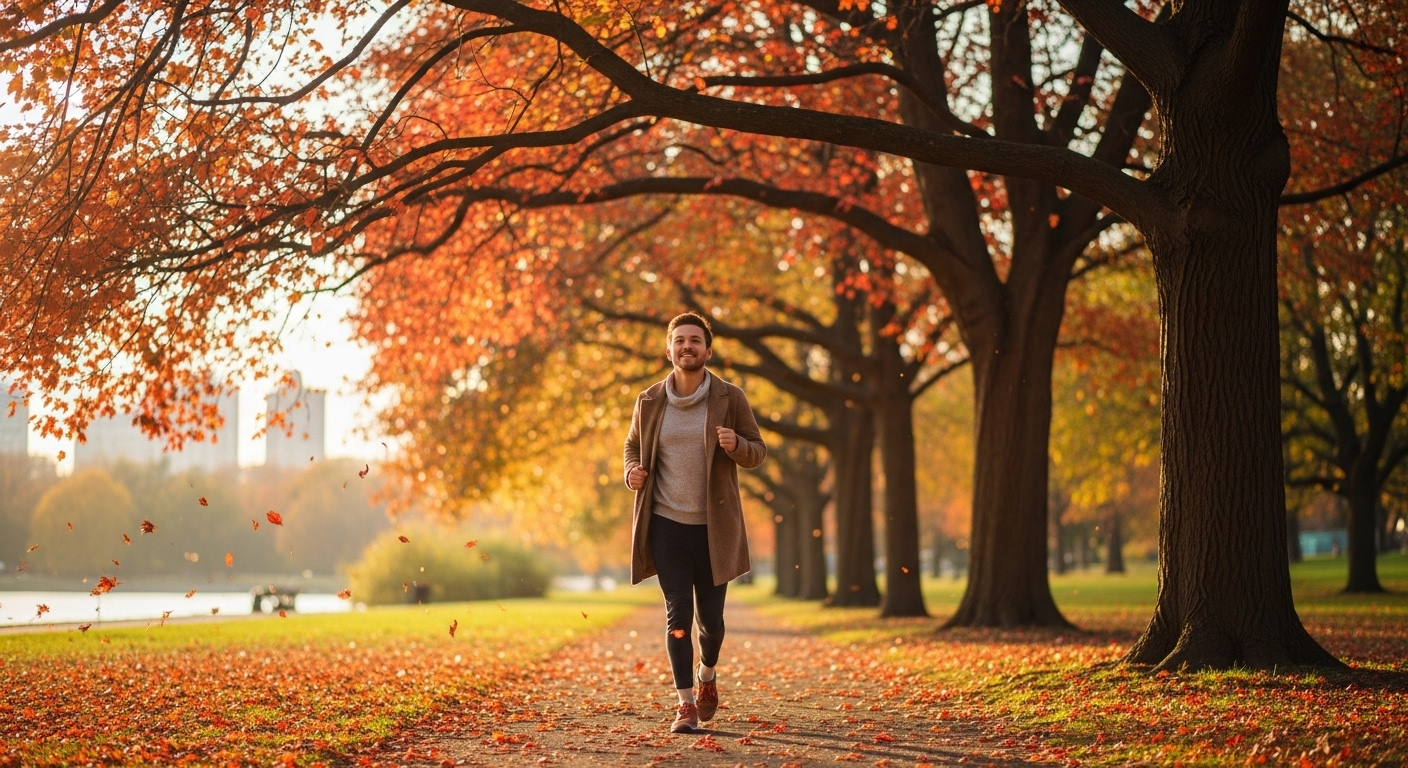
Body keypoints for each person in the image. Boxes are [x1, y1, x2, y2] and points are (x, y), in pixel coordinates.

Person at [623, 312, 767, 733]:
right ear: (668, 350)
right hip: (666, 524)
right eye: (679, 340)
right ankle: (684, 704)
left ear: (708, 350)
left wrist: (736, 444)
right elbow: (632, 445)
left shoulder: (730, 397)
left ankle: (707, 674)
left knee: (713, 623)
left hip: (714, 527)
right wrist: (631, 471)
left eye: (695, 341)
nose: (687, 346)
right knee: (678, 615)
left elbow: (757, 451)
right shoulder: (649, 400)